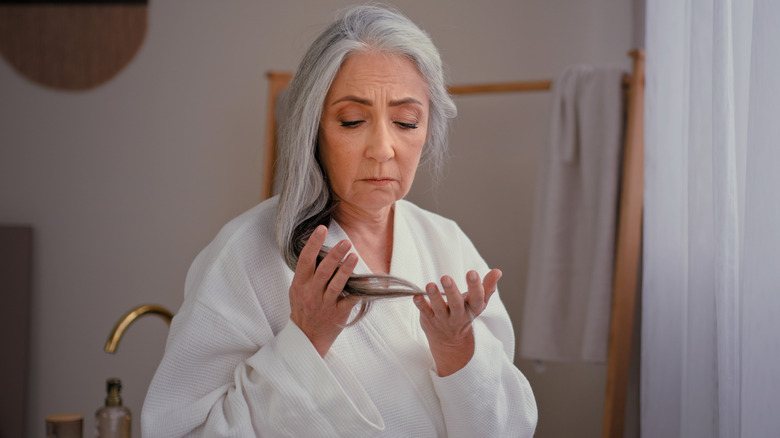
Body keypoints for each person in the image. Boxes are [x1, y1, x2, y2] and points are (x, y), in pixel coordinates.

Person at [142, 5, 537, 437]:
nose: (383, 149)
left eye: (406, 121)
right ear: (313, 129)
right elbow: (181, 430)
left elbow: (509, 428)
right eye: (352, 120)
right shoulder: (246, 254)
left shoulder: (446, 244)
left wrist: (457, 347)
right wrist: (306, 341)